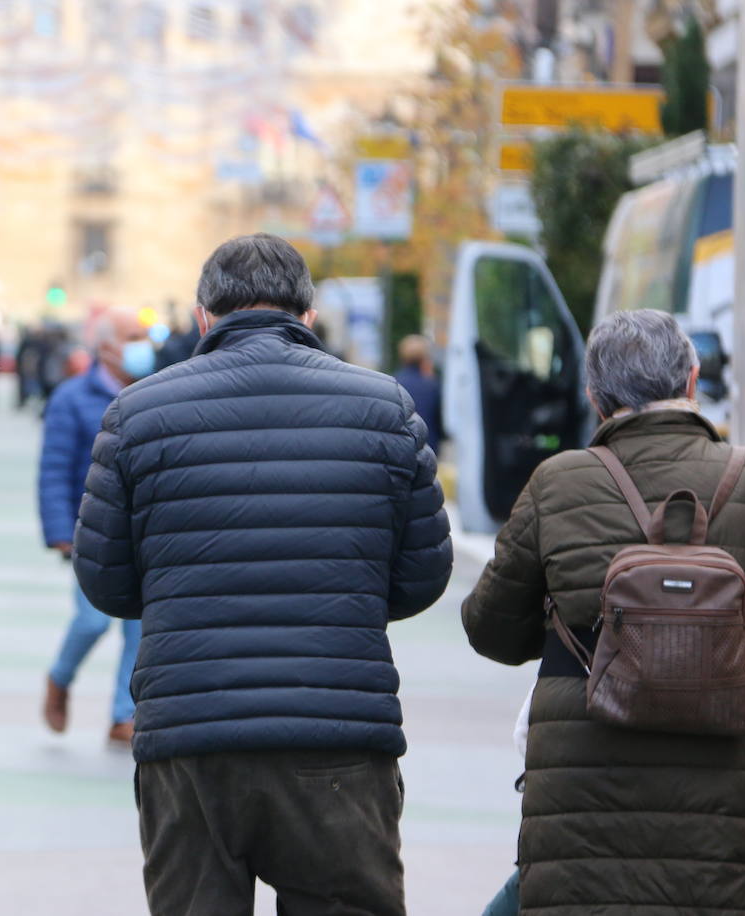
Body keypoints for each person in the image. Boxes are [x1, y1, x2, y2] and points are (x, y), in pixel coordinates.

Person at [73, 234, 452, 915]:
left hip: (190, 738)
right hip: (336, 734)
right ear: (307, 316)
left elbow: (106, 581)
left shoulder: (137, 414)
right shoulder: (384, 407)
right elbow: (424, 573)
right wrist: (348, 597)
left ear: (201, 317)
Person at [462, 309, 745, 914]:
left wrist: (589, 629)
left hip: (583, 813)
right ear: (690, 382)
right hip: (732, 810)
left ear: (595, 397)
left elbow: (490, 630)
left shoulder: (557, 483)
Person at [40, 308, 155, 746]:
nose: (143, 345)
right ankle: (59, 678)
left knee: (138, 627)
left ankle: (123, 715)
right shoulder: (71, 398)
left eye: (145, 336)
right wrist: (58, 532)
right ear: (105, 347)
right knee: (91, 621)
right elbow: (54, 468)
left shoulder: (155, 390)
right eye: (133, 337)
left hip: (141, 531)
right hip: (88, 530)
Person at [393, 334, 442, 453]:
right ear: (424, 358)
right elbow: (440, 421)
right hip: (427, 448)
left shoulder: (392, 382)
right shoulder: (432, 386)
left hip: (398, 448)